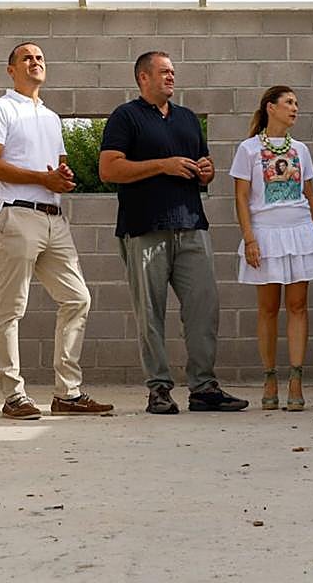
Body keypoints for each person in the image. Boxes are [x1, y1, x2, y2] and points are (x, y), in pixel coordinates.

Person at [99, 51, 248, 414]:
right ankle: (159, 389)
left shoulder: (186, 119)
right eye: (164, 72)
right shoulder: (125, 116)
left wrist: (207, 170)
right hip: (144, 229)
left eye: (173, 72)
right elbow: (109, 169)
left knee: (204, 308)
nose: (171, 77)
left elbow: (202, 167)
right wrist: (161, 165)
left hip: (192, 226)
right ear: (143, 78)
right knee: (149, 313)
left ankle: (203, 387)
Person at [0, 42, 113, 420]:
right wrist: (42, 177)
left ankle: (67, 393)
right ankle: (13, 395)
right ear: (11, 70)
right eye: (26, 58)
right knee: (12, 308)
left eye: (40, 58)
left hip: (55, 218)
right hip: (17, 216)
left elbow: (60, 166)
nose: (35, 62)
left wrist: (63, 178)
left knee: (77, 298)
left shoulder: (51, 117)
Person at [231, 86, 313, 411]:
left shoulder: (301, 149)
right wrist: (249, 238)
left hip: (300, 232)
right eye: (289, 102)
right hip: (266, 233)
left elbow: (310, 195)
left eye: (297, 103)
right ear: (270, 107)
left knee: (298, 306)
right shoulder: (247, 149)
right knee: (268, 307)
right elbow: (242, 197)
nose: (295, 108)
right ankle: (270, 376)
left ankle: (296, 379)